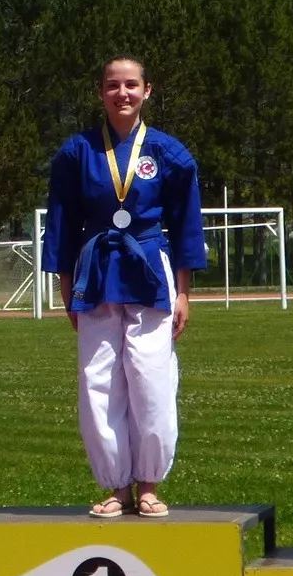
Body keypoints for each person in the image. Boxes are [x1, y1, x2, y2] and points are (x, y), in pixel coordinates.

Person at [42, 55, 207, 517]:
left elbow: (185, 225)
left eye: (131, 85)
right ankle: (115, 486)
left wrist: (185, 292)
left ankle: (149, 483)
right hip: (95, 270)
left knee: (151, 378)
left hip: (151, 268)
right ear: (100, 93)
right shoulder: (77, 153)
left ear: (147, 91)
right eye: (113, 86)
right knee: (98, 381)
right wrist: (65, 282)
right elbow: (61, 221)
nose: (122, 94)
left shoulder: (169, 154)